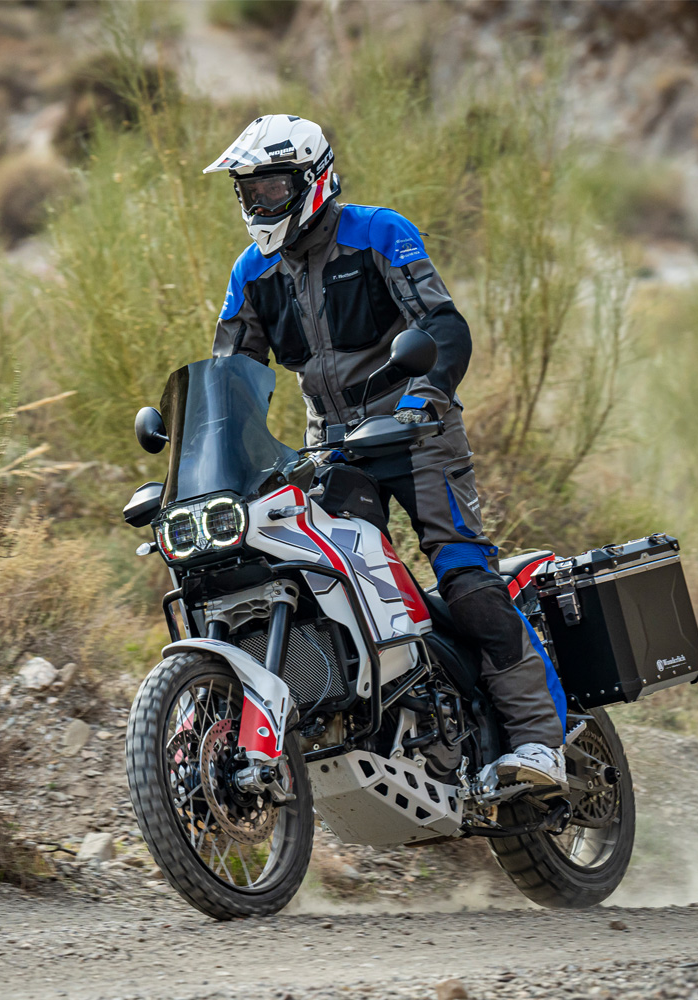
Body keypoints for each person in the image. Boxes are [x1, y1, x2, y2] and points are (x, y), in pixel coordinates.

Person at [205, 114, 568, 787]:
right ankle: (401, 720)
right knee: (327, 584)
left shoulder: (378, 233)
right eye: (248, 192)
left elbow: (443, 325)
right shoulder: (252, 273)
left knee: (465, 579)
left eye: (271, 189)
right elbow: (230, 375)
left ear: (312, 180)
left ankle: (538, 743)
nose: (259, 205)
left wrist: (424, 393)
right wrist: (215, 450)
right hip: (332, 451)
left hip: (416, 432)